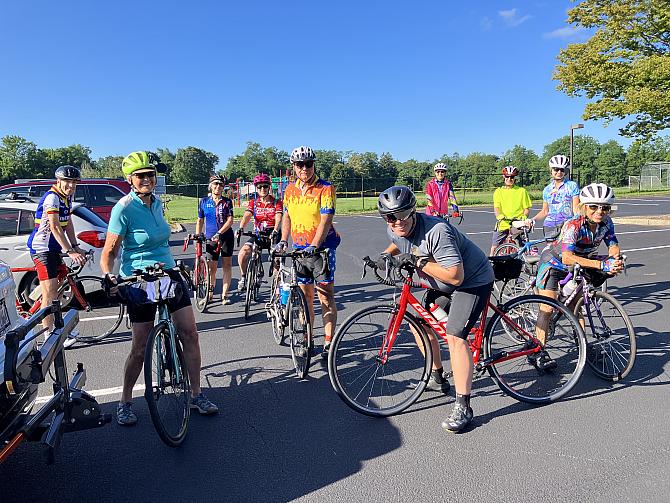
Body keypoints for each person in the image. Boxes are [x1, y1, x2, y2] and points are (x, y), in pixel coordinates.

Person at [101, 151, 218, 426]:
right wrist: (108, 275)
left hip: (167, 272)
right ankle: (125, 400)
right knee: (140, 347)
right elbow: (109, 251)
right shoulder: (124, 208)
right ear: (130, 179)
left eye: (150, 175)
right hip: (138, 279)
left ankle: (196, 394)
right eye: (141, 175)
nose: (147, 179)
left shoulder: (156, 204)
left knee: (190, 333)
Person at [375, 186, 494, 433]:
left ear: (412, 212)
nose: (396, 222)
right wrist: (385, 255)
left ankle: (463, 406)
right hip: (442, 282)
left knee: (454, 335)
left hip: (472, 280)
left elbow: (455, 276)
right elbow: (398, 242)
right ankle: (438, 377)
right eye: (389, 217)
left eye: (401, 215)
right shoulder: (394, 227)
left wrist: (418, 261)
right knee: (418, 323)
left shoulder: (437, 231)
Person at [534, 182, 624, 370]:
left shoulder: (606, 223)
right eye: (594, 206)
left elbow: (613, 243)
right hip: (554, 264)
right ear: (584, 206)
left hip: (579, 262)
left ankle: (583, 345)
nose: (599, 211)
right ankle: (538, 351)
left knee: (577, 307)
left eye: (605, 207)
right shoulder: (573, 224)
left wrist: (615, 259)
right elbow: (567, 257)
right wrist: (601, 264)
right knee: (547, 309)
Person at [275, 146, 340, 357]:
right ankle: (307, 337)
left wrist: (315, 244)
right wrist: (284, 240)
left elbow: (326, 219)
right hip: (299, 249)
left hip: (322, 250)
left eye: (308, 164)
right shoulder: (289, 190)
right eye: (300, 164)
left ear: (314, 165)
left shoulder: (326, 188)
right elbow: (287, 216)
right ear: (293, 166)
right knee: (305, 297)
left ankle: (329, 341)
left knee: (325, 296)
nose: (304, 168)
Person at [27, 165, 87, 332]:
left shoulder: (66, 197)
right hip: (41, 248)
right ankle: (49, 335)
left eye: (74, 182)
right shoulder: (52, 198)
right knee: (50, 294)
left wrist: (75, 245)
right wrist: (70, 251)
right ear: (58, 181)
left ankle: (55, 326)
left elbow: (67, 223)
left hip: (53, 248)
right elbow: (55, 227)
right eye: (67, 182)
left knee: (58, 288)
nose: (71, 186)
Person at [237, 172, 282, 290]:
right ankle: (243, 277)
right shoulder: (254, 202)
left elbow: (278, 217)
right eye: (259, 187)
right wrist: (241, 227)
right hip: (258, 234)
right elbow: (247, 215)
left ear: (269, 187)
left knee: (277, 260)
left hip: (273, 234)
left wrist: (276, 229)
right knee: (243, 253)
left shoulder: (277, 202)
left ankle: (276, 288)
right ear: (256, 188)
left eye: (265, 186)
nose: (262, 189)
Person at [195, 174, 235, 305]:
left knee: (227, 265)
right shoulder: (204, 201)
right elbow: (200, 220)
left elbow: (230, 220)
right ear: (210, 185)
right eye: (215, 184)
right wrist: (197, 235)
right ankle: (210, 295)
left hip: (226, 237)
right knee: (211, 268)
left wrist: (219, 232)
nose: (218, 187)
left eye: (220, 185)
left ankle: (224, 295)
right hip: (210, 238)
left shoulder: (227, 202)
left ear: (223, 187)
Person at [530, 154, 580, 236]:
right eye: (556, 169)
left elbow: (576, 209)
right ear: (551, 170)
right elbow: (545, 211)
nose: (559, 172)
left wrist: (579, 221)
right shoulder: (547, 189)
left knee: (567, 248)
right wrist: (532, 219)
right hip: (549, 225)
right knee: (551, 248)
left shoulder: (572, 185)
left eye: (562, 170)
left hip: (567, 225)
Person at [490, 166, 532, 255]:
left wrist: (524, 217)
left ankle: (525, 265)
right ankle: (490, 265)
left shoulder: (522, 191)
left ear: (515, 178)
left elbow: (526, 208)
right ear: (504, 177)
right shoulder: (498, 191)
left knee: (521, 246)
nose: (509, 179)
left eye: (512, 177)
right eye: (507, 177)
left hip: (517, 222)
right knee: (494, 246)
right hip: (503, 222)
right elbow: (496, 208)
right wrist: (499, 216)